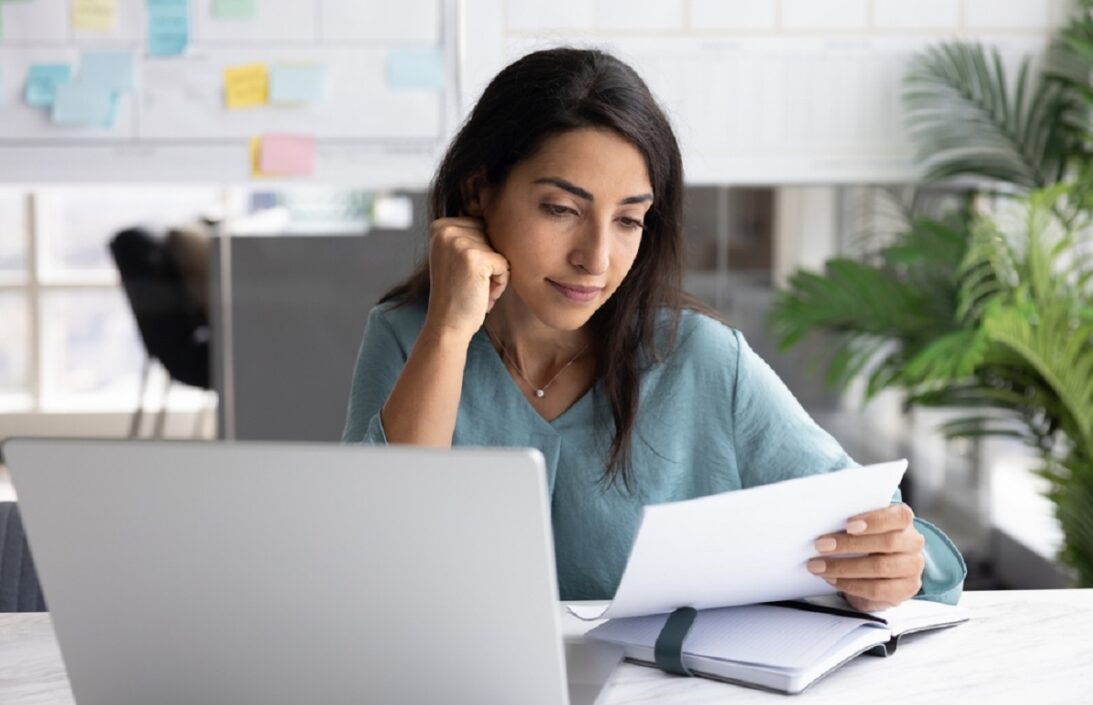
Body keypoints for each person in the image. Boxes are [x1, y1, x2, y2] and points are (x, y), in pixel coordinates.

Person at [342, 47, 966, 611]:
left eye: (628, 221)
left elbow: (894, 540)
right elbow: (368, 551)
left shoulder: (702, 358)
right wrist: (450, 330)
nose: (596, 258)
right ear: (479, 191)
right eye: (561, 209)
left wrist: (889, 565)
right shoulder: (410, 337)